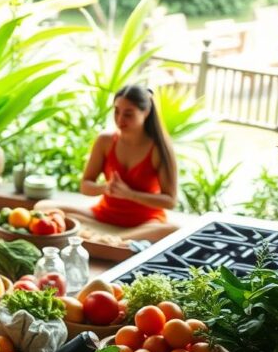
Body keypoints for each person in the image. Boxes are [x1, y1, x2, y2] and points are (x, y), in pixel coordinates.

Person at [36, 85, 179, 241]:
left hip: (145, 224)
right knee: (42, 207)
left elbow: (170, 201)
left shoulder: (159, 149)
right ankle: (113, 242)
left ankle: (112, 239)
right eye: (116, 111)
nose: (120, 119)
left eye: (128, 114)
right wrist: (105, 188)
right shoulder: (105, 141)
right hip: (104, 216)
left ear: (145, 112)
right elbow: (86, 186)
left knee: (172, 230)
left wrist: (130, 194)